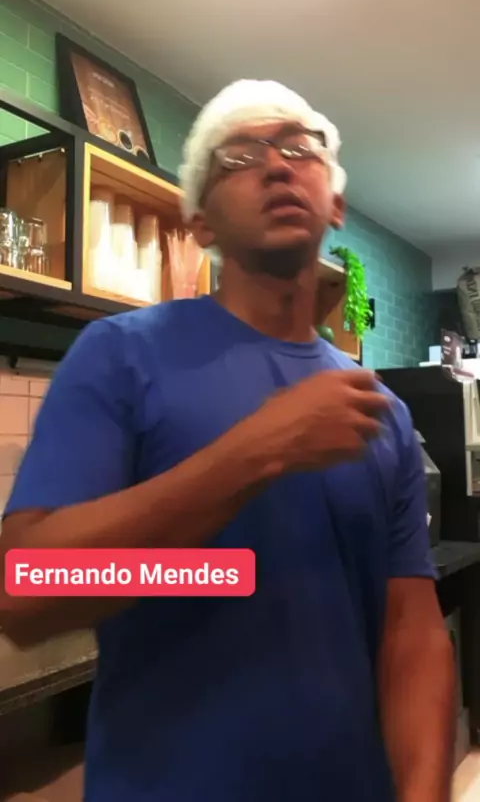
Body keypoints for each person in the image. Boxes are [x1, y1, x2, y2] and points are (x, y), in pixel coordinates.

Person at [0, 80, 455, 802]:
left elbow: (412, 633)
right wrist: (254, 454)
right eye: (238, 156)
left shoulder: (382, 413)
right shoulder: (119, 355)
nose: (276, 165)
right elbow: (26, 593)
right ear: (201, 222)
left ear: (335, 204)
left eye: (301, 149)